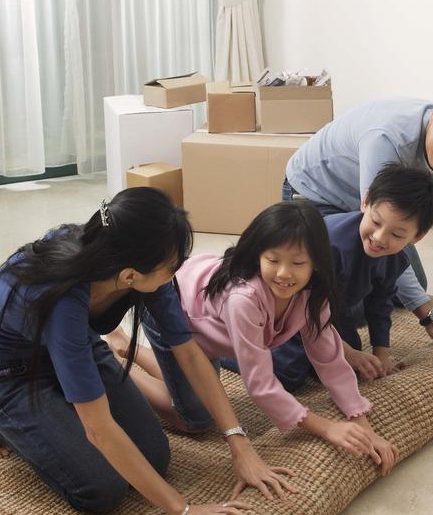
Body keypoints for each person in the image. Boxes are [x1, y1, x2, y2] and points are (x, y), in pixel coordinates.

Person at [0, 188, 288, 515]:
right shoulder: (64, 302)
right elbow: (100, 430)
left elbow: (190, 356)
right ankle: (2, 414)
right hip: (7, 370)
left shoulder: (130, 261)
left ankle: (56, 405)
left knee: (155, 456)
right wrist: (183, 510)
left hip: (75, 346)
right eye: (170, 268)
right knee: (102, 488)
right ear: (130, 276)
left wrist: (240, 443)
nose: (175, 274)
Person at [136, 200, 399, 476]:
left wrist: (362, 425)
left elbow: (330, 360)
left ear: (316, 265)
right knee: (195, 418)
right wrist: (328, 427)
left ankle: (142, 357)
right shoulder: (243, 299)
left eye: (298, 263)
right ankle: (123, 363)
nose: (284, 274)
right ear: (257, 256)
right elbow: (260, 384)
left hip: (211, 329)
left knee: (192, 391)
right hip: (172, 314)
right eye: (273, 261)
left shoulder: (313, 294)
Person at [283, 82, 433, 358]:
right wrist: (432, 319)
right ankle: (296, 309)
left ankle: (336, 298)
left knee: (407, 282)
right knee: (350, 283)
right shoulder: (387, 138)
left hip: (374, 214)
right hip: (315, 196)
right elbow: (376, 219)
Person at [232, 164, 433, 392]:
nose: (379, 238)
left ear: (417, 237)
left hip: (329, 308)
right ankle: (231, 350)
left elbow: (380, 303)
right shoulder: (331, 245)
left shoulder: (396, 259)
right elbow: (302, 308)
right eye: (375, 221)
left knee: (349, 360)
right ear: (365, 202)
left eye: (397, 234)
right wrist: (346, 352)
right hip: (283, 304)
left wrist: (381, 352)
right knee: (289, 373)